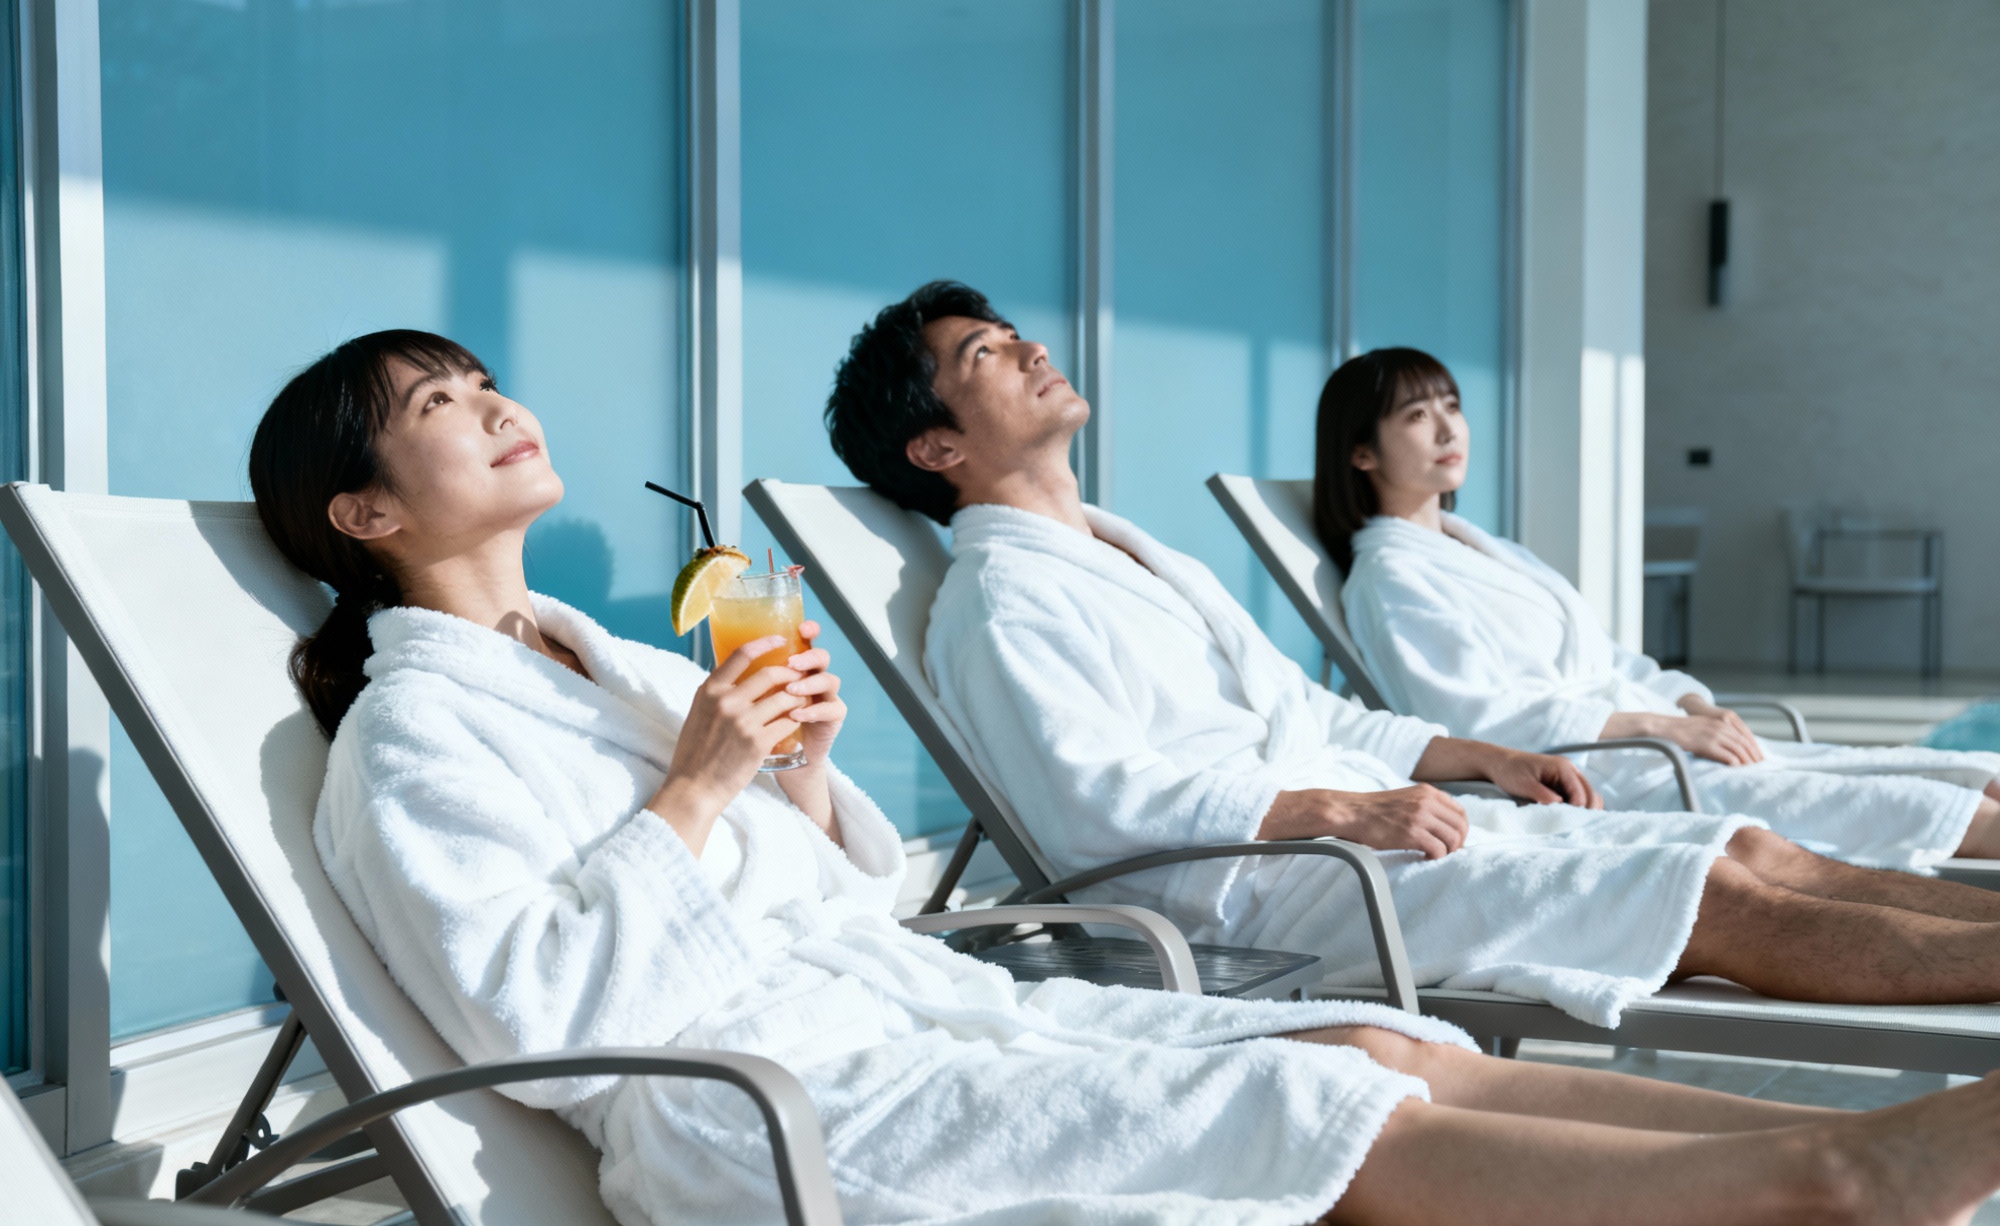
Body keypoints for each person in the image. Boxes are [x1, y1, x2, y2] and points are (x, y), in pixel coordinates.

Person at [245, 331, 2000, 1226]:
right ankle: (1834, 1192)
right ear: (365, 510)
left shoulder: (609, 663)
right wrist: (701, 790)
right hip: (768, 1107)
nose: (493, 402)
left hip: (899, 1011)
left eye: (486, 379)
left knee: (1378, 1053)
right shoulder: (407, 734)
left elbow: (843, 890)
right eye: (439, 402)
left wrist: (798, 779)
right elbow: (538, 1011)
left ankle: (1844, 1155)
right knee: (1310, 1118)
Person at [826, 280, 2000, 1036]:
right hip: (1263, 884)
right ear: (935, 447)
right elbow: (1095, 808)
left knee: (1739, 845)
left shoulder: (1128, 553)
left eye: (1010, 333)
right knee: (1715, 896)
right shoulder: (999, 601)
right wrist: (1335, 806)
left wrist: (1475, 754)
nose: (1029, 346)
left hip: (1358, 836)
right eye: (984, 354)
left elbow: (1309, 711)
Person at [1318, 345, 2000, 874]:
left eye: (1451, 405)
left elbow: (1610, 660)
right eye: (1416, 416)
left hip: (1671, 750)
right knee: (1941, 809)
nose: (1448, 427)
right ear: (1361, 452)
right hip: (1623, 775)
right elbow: (1480, 723)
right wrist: (1663, 727)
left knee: (1967, 775)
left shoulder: (1480, 549)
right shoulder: (1390, 577)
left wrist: (1693, 706)